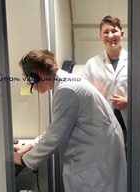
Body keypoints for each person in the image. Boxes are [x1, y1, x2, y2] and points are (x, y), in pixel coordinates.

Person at [13, 49, 127, 192]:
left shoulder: (66, 90)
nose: (30, 85)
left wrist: (23, 159)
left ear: (36, 75)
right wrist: (30, 146)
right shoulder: (66, 83)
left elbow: (54, 137)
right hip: (97, 151)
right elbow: (58, 127)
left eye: (28, 79)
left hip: (95, 161)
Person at [82, 15, 140, 145]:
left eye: (114, 31)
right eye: (106, 32)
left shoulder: (136, 62)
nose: (110, 35)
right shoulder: (92, 64)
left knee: (130, 162)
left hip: (129, 124)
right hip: (102, 125)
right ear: (100, 36)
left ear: (121, 34)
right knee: (107, 162)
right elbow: (82, 95)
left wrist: (129, 101)